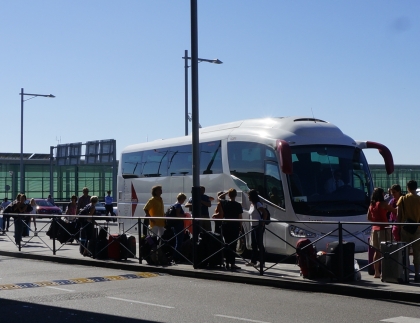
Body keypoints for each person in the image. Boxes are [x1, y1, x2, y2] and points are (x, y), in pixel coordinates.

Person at [367, 187, 395, 278]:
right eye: (383, 193)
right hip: (383, 229)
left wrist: (376, 220)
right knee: (385, 251)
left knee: (377, 252)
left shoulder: (372, 204)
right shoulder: (383, 204)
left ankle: (376, 272)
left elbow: (369, 218)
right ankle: (384, 272)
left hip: (374, 230)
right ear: (381, 194)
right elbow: (394, 210)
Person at [397, 180, 420, 282]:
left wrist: (399, 226)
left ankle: (405, 273)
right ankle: (417, 273)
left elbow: (398, 216)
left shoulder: (402, 199)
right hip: (417, 229)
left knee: (405, 252)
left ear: (408, 188)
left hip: (405, 228)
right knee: (417, 252)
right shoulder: (419, 199)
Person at [218, 188, 243, 270]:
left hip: (225, 225)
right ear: (236, 195)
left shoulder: (225, 203)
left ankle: (227, 262)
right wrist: (240, 227)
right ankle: (232, 263)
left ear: (229, 195)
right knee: (233, 244)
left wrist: (225, 193)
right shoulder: (238, 205)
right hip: (234, 226)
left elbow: (218, 197)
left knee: (226, 243)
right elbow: (240, 218)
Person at [247, 189, 267, 267]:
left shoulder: (258, 204)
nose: (248, 197)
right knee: (253, 244)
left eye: (249, 195)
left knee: (259, 244)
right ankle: (253, 261)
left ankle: (262, 262)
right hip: (253, 225)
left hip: (258, 226)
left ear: (252, 196)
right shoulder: (251, 204)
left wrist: (263, 222)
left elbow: (264, 212)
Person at [170, 193, 187, 263]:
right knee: (179, 241)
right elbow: (178, 215)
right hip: (178, 224)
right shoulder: (178, 205)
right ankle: (176, 257)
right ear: (182, 199)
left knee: (177, 240)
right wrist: (184, 215)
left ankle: (175, 256)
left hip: (175, 225)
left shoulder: (174, 204)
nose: (184, 201)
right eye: (184, 199)